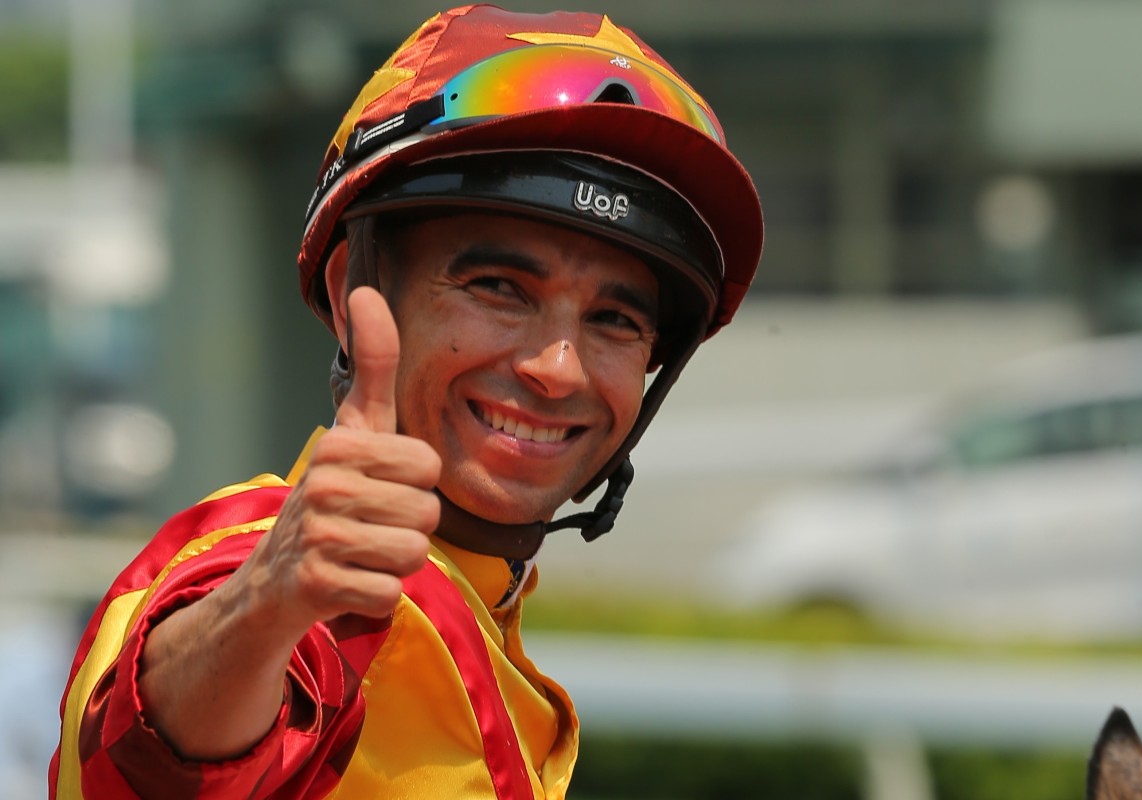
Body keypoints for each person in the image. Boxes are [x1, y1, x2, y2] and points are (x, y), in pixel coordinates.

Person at [50, 5, 763, 798]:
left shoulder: (481, 606)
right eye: (499, 288)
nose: (559, 368)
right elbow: (159, 751)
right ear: (354, 287)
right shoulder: (284, 577)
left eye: (614, 320)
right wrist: (262, 607)